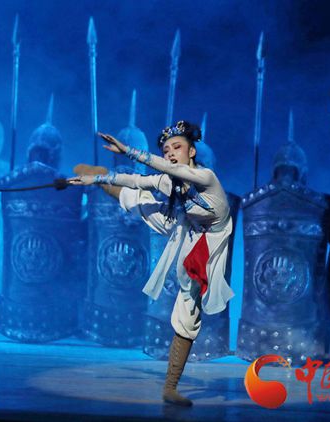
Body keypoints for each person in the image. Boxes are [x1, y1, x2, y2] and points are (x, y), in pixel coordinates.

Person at [68, 120, 235, 406]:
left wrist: (128, 151)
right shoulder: (171, 183)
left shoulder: (207, 177)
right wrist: (97, 180)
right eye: (166, 150)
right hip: (183, 229)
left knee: (188, 315)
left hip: (208, 244)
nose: (170, 154)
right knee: (141, 199)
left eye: (177, 147)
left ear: (192, 152)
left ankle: (171, 386)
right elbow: (138, 180)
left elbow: (167, 169)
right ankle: (170, 388)